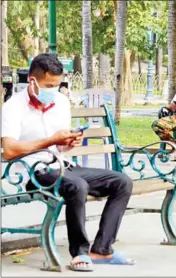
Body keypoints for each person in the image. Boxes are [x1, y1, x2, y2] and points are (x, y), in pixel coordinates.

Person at [1, 53, 134, 271]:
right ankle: (79, 252)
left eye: (57, 84)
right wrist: (51, 140)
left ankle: (102, 249)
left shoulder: (61, 102)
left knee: (122, 182)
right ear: (32, 81)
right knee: (76, 186)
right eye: (49, 85)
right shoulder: (14, 107)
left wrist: (69, 142)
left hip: (63, 166)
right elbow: (9, 150)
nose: (53, 90)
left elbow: (61, 146)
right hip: (35, 172)